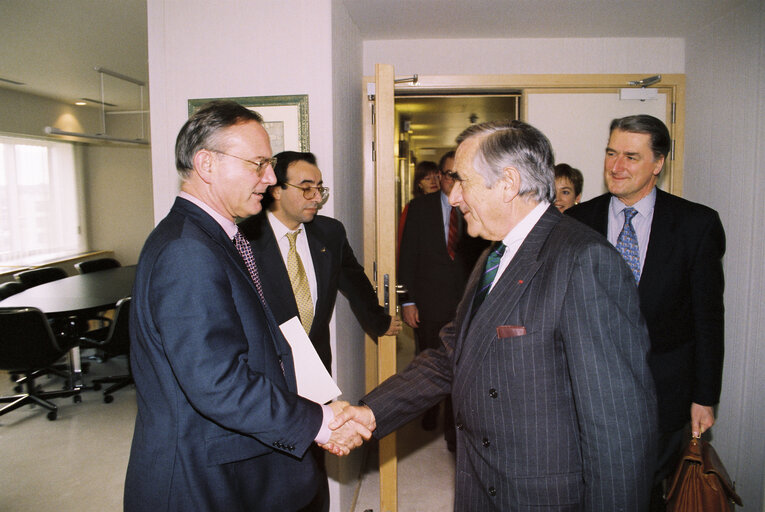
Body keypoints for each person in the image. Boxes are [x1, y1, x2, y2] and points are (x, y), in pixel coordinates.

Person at [330, 119, 659, 511]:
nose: (452, 197)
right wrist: (370, 412)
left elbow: (619, 432)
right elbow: (450, 355)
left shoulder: (583, 261)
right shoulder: (494, 254)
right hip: (484, 481)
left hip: (541, 497)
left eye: (462, 181)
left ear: (507, 182)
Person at [124, 101, 368, 512]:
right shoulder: (188, 251)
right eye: (258, 165)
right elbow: (217, 383)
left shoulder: (219, 236)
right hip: (200, 479)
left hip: (236, 464)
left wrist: (317, 407)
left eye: (269, 164)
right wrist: (320, 424)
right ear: (207, 164)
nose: (270, 179)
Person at [565, 114, 726, 510]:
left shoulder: (696, 224)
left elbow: (708, 317)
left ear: (658, 163)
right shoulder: (575, 222)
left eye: (631, 157)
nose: (616, 167)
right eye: (611, 153)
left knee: (646, 492)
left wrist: (705, 397)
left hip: (664, 390)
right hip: (588, 388)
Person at [238, 150, 401, 372]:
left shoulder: (330, 233)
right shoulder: (243, 240)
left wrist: (379, 321)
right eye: (306, 189)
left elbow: (355, 282)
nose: (317, 197)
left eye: (319, 189)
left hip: (316, 368)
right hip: (266, 372)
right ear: (276, 190)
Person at [398, 150, 487, 444]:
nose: (451, 180)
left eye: (457, 175)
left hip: (466, 303)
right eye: (447, 174)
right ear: (439, 175)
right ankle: (428, 410)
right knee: (428, 360)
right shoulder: (418, 208)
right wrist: (406, 301)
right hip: (428, 302)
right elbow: (407, 256)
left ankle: (453, 430)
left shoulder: (476, 206)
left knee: (461, 368)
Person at [397, 160, 441, 252]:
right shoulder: (412, 208)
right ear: (419, 184)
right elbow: (404, 242)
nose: (433, 182)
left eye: (436, 177)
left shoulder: (448, 205)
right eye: (427, 178)